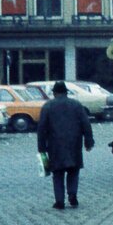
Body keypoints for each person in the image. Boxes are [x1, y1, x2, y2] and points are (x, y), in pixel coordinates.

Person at [37, 81, 95, 210]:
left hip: (54, 145)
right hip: (74, 144)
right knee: (73, 171)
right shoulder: (76, 105)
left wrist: (41, 148)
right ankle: (72, 194)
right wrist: (89, 141)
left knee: (57, 173)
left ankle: (59, 201)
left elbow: (41, 128)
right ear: (66, 92)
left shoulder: (47, 106)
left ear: (54, 93)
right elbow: (86, 124)